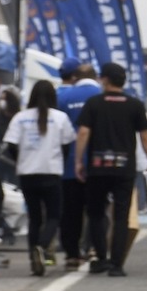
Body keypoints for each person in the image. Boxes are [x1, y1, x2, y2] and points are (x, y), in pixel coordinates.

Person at [73, 62, 147, 277]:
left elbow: (83, 133)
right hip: (124, 169)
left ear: (105, 80)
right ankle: (117, 264)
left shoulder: (94, 103)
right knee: (121, 216)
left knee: (96, 213)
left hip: (98, 168)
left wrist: (79, 161)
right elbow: (145, 136)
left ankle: (100, 258)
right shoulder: (134, 105)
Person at [4, 80, 72, 276]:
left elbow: (11, 145)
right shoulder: (60, 118)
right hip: (51, 171)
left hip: (27, 173)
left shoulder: (20, 118)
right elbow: (66, 146)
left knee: (34, 217)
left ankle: (33, 258)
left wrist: (22, 160)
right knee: (54, 215)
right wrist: (59, 161)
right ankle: (41, 247)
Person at [54, 62, 103, 271]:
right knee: (96, 210)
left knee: (70, 211)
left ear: (74, 78)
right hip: (97, 162)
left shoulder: (63, 97)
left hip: (69, 162)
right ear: (97, 77)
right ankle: (94, 249)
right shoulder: (103, 95)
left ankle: (72, 254)